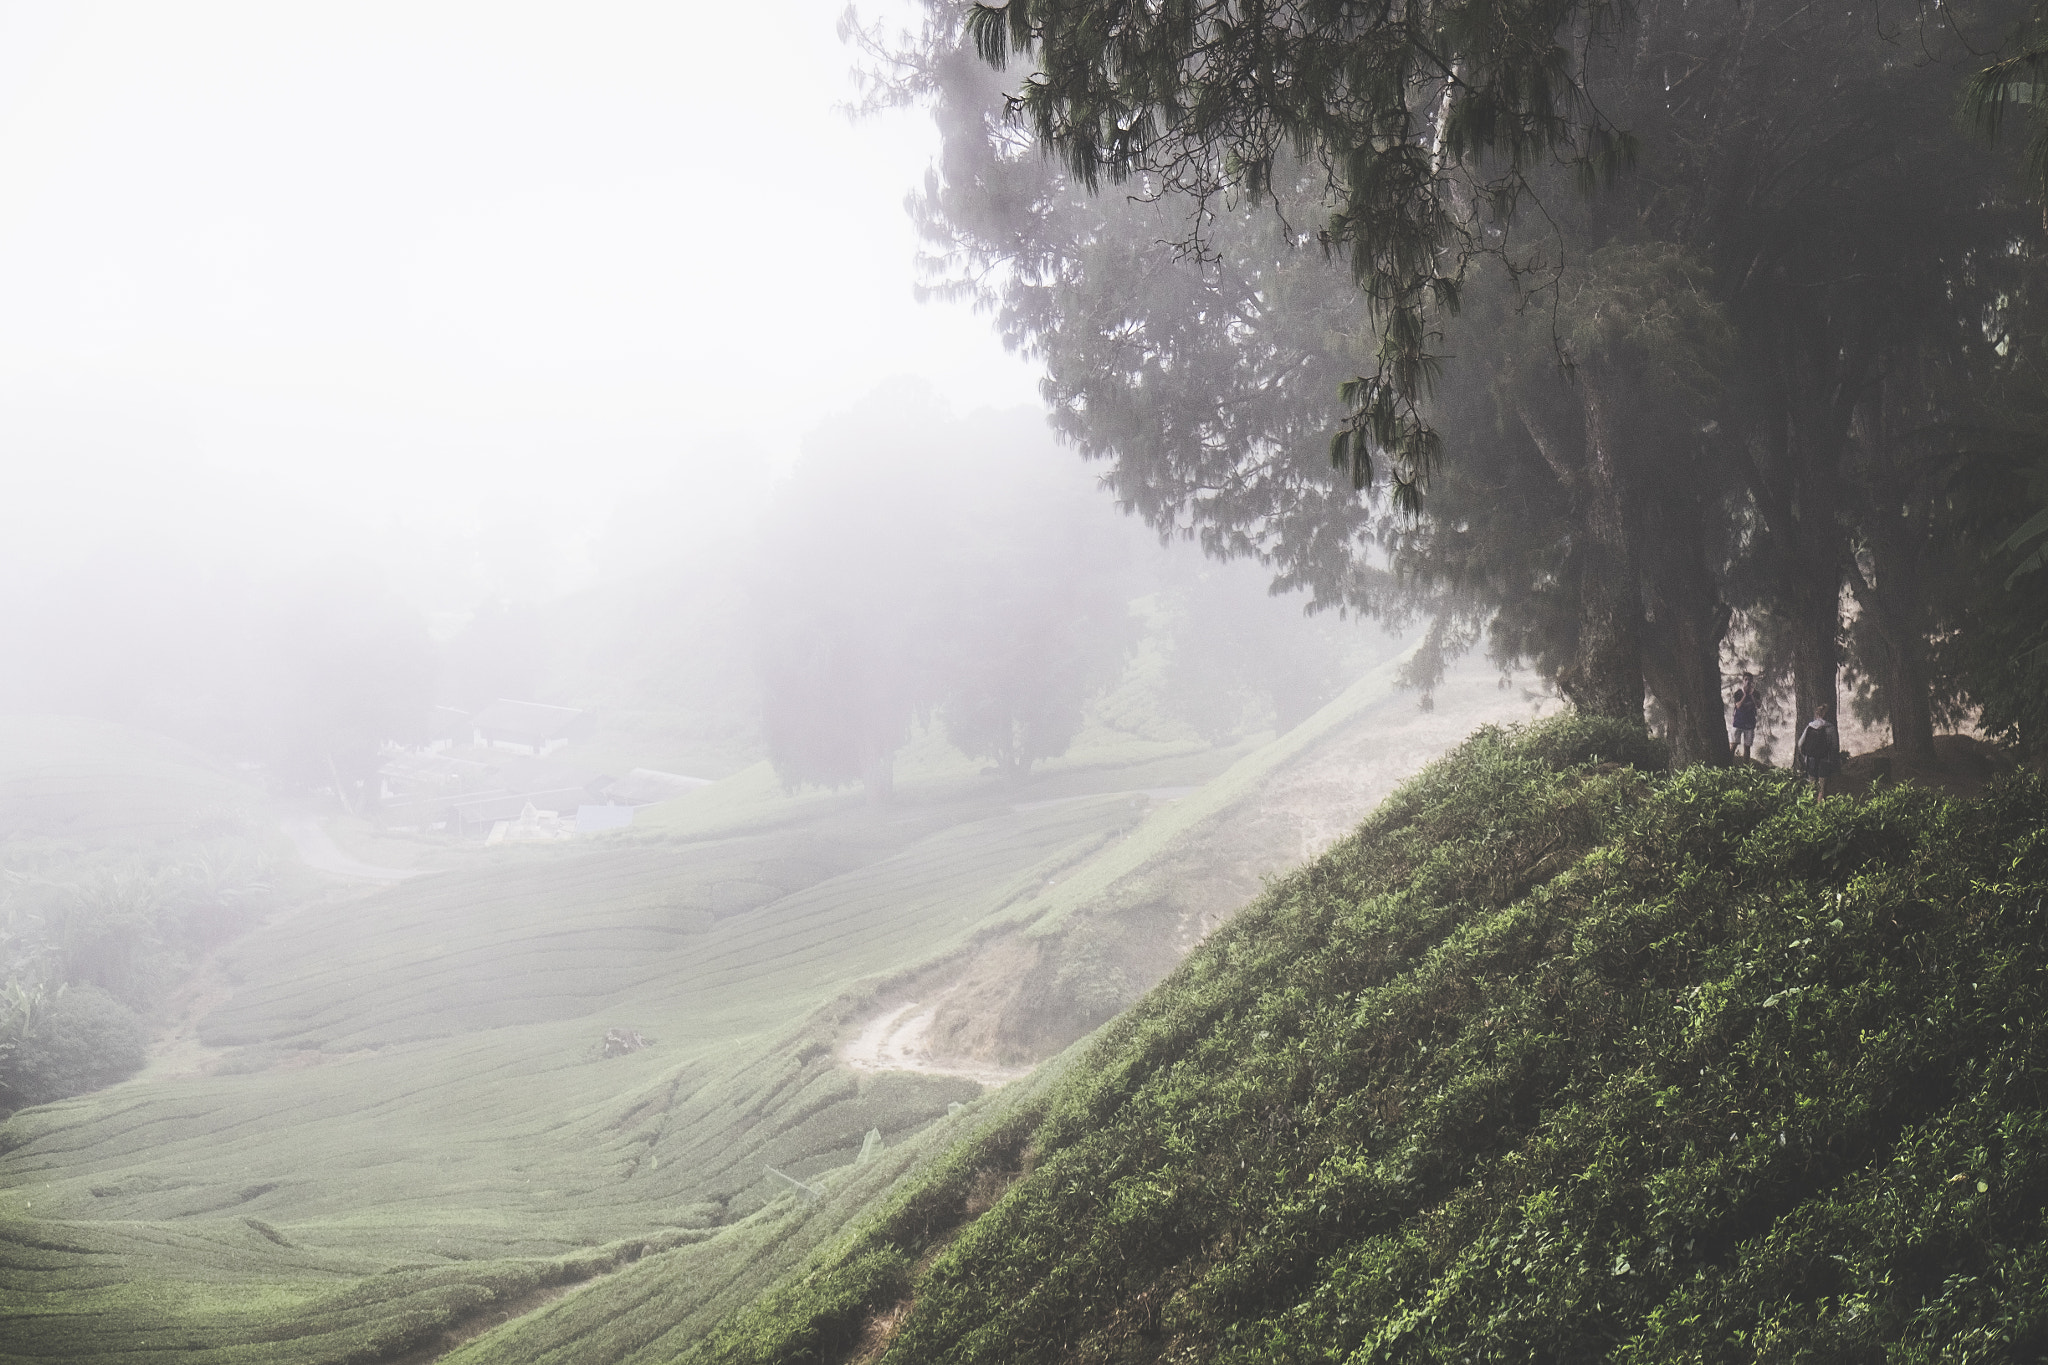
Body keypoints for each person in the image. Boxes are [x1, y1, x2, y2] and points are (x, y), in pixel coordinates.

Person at [1797, 703, 1840, 799]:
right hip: (1825, 759)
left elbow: (1800, 743)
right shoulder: (1830, 728)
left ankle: (1809, 806)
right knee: (1821, 788)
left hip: (1811, 759)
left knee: (1811, 785)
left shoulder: (1810, 727)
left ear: (1816, 715)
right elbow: (1835, 746)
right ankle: (1819, 808)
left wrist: (1804, 755)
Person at [1729, 673, 1759, 760]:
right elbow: (1737, 705)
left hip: (1749, 723)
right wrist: (1745, 696)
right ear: (1743, 681)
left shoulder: (1756, 693)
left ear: (1752, 681)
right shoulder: (1738, 693)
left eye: (1749, 680)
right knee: (1733, 745)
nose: (1747, 682)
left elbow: (1758, 705)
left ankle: (1746, 769)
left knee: (1747, 747)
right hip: (1738, 722)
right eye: (1746, 679)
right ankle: (1729, 764)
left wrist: (1752, 695)